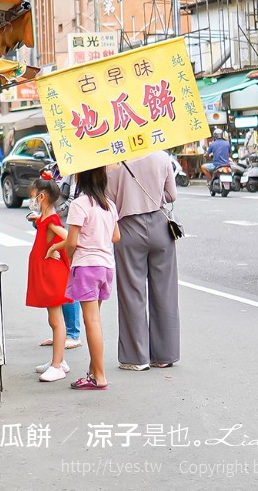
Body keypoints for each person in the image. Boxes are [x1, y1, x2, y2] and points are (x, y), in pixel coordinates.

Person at [107, 151, 179, 371]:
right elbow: (172, 195)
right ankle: (165, 355)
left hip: (128, 228)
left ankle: (136, 358)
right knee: (165, 292)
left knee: (132, 293)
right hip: (160, 224)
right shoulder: (162, 156)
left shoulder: (112, 162)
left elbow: (108, 200)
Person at [64, 166, 120, 390]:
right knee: (94, 320)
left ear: (80, 176)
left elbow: (71, 241)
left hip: (87, 266)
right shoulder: (109, 205)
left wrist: (69, 259)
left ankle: (100, 377)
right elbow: (116, 236)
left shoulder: (79, 205)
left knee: (92, 322)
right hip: (106, 268)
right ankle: (92, 371)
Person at [25, 178, 72, 383]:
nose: (31, 199)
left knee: (56, 320)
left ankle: (57, 365)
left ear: (41, 196)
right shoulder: (45, 217)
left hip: (53, 273)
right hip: (47, 271)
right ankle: (58, 359)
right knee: (53, 319)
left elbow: (70, 238)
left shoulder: (52, 220)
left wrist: (53, 248)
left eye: (32, 195)